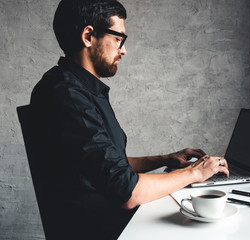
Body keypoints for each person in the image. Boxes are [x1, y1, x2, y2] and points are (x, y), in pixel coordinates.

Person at [29, 0, 229, 239]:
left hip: (111, 219)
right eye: (118, 39)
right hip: (102, 229)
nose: (123, 50)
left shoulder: (80, 89)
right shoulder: (66, 94)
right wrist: (196, 173)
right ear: (88, 36)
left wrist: (165, 160)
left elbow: (109, 166)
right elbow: (126, 191)